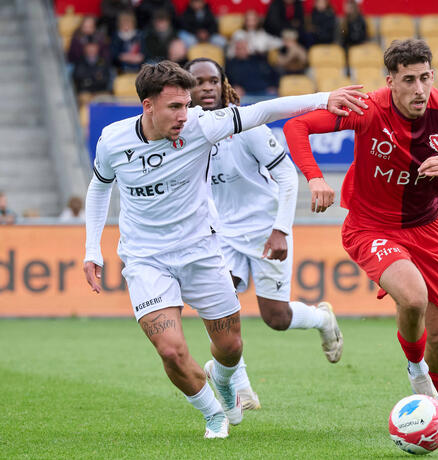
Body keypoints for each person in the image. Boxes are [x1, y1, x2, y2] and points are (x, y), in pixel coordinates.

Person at [82, 60, 367, 438]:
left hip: (202, 252)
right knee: (170, 350)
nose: (184, 115)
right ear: (148, 106)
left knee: (233, 345)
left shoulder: (201, 125)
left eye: (186, 105)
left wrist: (323, 98)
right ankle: (213, 415)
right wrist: (92, 248)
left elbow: (262, 111)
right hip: (146, 258)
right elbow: (100, 186)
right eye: (174, 107)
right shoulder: (113, 140)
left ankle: (227, 379)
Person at [284, 38, 438, 434]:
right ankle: (417, 371)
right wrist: (314, 178)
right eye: (409, 80)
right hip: (370, 226)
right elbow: (297, 126)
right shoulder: (368, 108)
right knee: (413, 297)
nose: (420, 89)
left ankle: (437, 406)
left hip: (426, 228)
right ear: (391, 82)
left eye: (426, 78)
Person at [185, 57, 344, 410]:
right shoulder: (186, 131)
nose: (207, 87)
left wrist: (280, 230)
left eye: (213, 80)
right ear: (187, 89)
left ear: (223, 85)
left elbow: (287, 176)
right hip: (222, 235)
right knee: (219, 307)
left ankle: (322, 319)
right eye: (198, 82)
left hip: (264, 229)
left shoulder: (247, 125)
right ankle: (242, 390)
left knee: (276, 318)